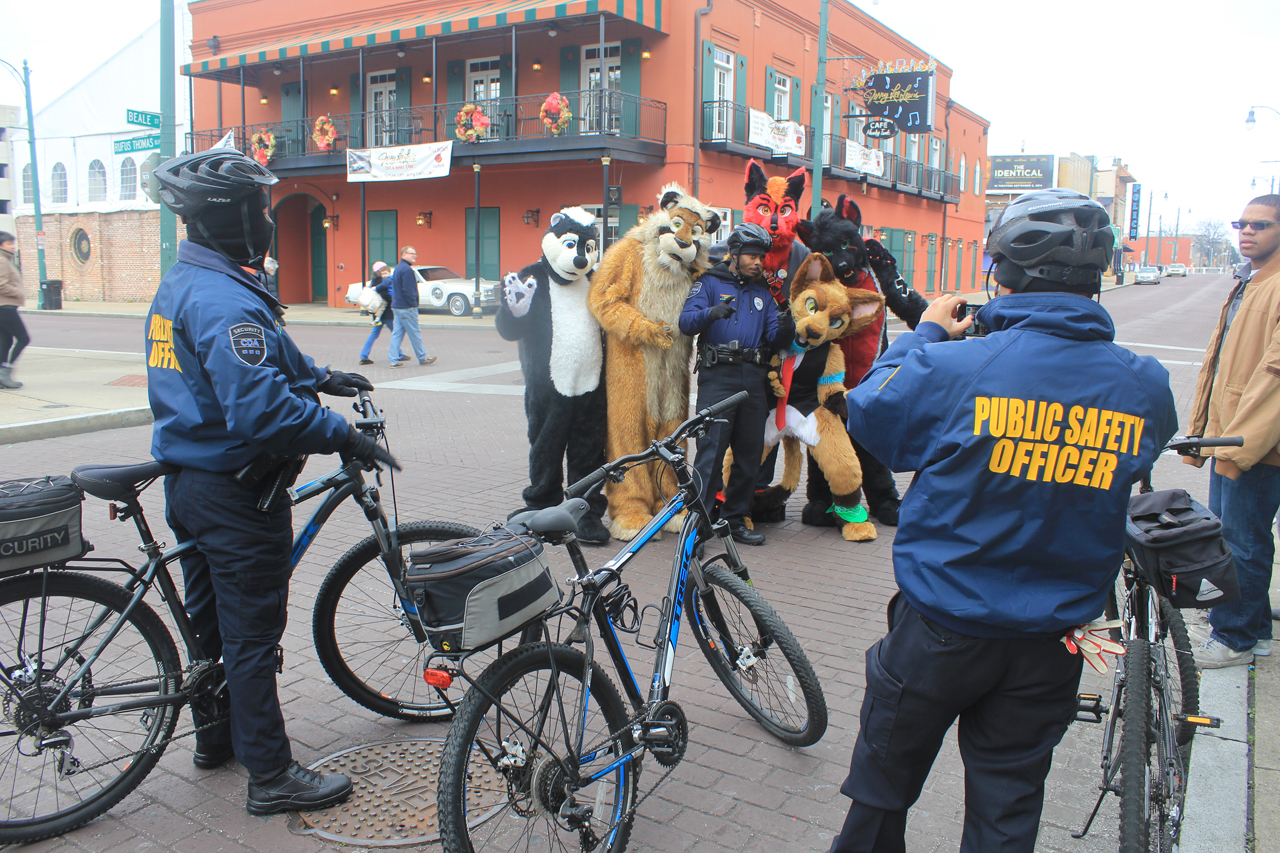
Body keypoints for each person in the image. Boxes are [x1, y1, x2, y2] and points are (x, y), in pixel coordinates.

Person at [829, 188, 1177, 853]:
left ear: (1002, 274)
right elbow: (1145, 446)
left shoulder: (953, 364)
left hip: (940, 627)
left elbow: (871, 413)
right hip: (1052, 638)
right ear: (1096, 278)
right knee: (1007, 809)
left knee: (881, 790)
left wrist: (929, 330)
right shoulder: (1144, 383)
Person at [148, 149, 398, 815]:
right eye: (259, 208)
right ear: (232, 216)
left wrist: (319, 374)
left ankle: (216, 738)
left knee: (211, 628)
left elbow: (258, 350)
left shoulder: (192, 278)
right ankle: (272, 775)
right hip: (236, 494)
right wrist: (341, 433)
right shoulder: (224, 296)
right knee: (251, 636)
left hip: (189, 483)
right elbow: (260, 410)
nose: (265, 218)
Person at [1184, 194, 1280, 668]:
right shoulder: (1251, 282)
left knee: (1241, 542)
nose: (1247, 232)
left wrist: (1237, 446)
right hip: (1232, 434)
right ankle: (1254, 629)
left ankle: (1235, 638)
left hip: (1253, 444)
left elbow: (1273, 380)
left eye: (1259, 225)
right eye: (1241, 223)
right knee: (1239, 538)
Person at [680, 222, 793, 546]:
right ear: (736, 254)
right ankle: (697, 529)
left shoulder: (764, 294)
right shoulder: (710, 283)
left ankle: (734, 519)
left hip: (754, 378)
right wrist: (711, 313)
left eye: (762, 257)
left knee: (748, 453)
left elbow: (775, 338)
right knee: (710, 452)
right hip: (719, 376)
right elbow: (686, 323)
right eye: (753, 256)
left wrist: (786, 327)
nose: (759, 262)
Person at [387, 245, 436, 367]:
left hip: (397, 307)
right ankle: (422, 357)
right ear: (403, 254)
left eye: (415, 253)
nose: (414, 256)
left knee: (397, 334)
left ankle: (393, 360)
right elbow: (408, 290)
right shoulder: (407, 270)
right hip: (406, 308)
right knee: (414, 333)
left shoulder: (398, 268)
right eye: (411, 253)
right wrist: (413, 304)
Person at [0, 231, 30, 390]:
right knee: (24, 338)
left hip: (5, 307)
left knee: (6, 340)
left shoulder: (5, 260)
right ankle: (5, 372)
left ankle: (1, 376)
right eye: (9, 243)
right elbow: (1, 284)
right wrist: (17, 293)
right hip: (5, 307)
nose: (13, 246)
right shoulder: (2, 261)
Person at [358, 261, 394, 365]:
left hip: (377, 313)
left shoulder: (374, 280)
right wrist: (393, 299)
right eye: (383, 269)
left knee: (375, 334)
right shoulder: (380, 280)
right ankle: (398, 354)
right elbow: (385, 295)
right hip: (385, 313)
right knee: (396, 333)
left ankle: (364, 355)